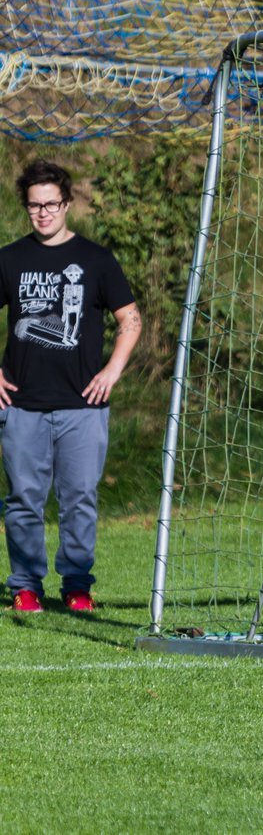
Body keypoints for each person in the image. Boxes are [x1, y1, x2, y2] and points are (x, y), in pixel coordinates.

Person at [0, 159, 141, 613]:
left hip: (83, 405)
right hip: (21, 404)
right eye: (34, 206)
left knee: (79, 498)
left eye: (51, 204)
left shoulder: (96, 260)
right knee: (24, 500)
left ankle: (77, 585)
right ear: (26, 207)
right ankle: (25, 585)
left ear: (67, 204)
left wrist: (112, 371)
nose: (43, 213)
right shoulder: (10, 259)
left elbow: (130, 320)